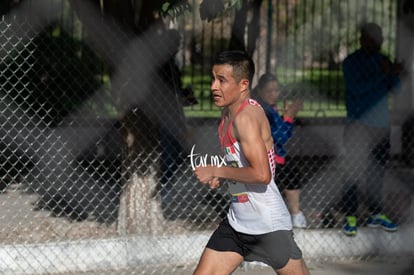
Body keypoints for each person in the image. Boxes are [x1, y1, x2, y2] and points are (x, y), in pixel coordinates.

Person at [193, 51, 309, 275]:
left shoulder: (247, 118)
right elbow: (240, 163)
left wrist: (217, 169)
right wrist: (224, 174)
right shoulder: (228, 113)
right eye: (213, 78)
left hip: (268, 226)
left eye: (222, 80)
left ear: (243, 84)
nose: (213, 87)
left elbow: (262, 174)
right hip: (238, 222)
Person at [341, 22, 402, 236]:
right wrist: (383, 74)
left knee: (377, 172)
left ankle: (376, 214)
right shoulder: (351, 62)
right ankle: (350, 216)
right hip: (358, 125)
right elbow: (357, 90)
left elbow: (396, 89)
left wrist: (394, 74)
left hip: (381, 126)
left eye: (380, 38)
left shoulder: (383, 60)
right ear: (362, 39)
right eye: (372, 38)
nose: (377, 42)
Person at [252, 73, 306, 228]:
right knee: (291, 174)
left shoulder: (271, 107)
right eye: (269, 91)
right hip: (264, 159)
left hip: (275, 157)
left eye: (276, 90)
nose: (274, 94)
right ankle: (294, 214)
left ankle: (294, 215)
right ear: (261, 91)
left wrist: (286, 118)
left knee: (293, 173)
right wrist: (288, 118)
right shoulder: (263, 109)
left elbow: (282, 134)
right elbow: (278, 137)